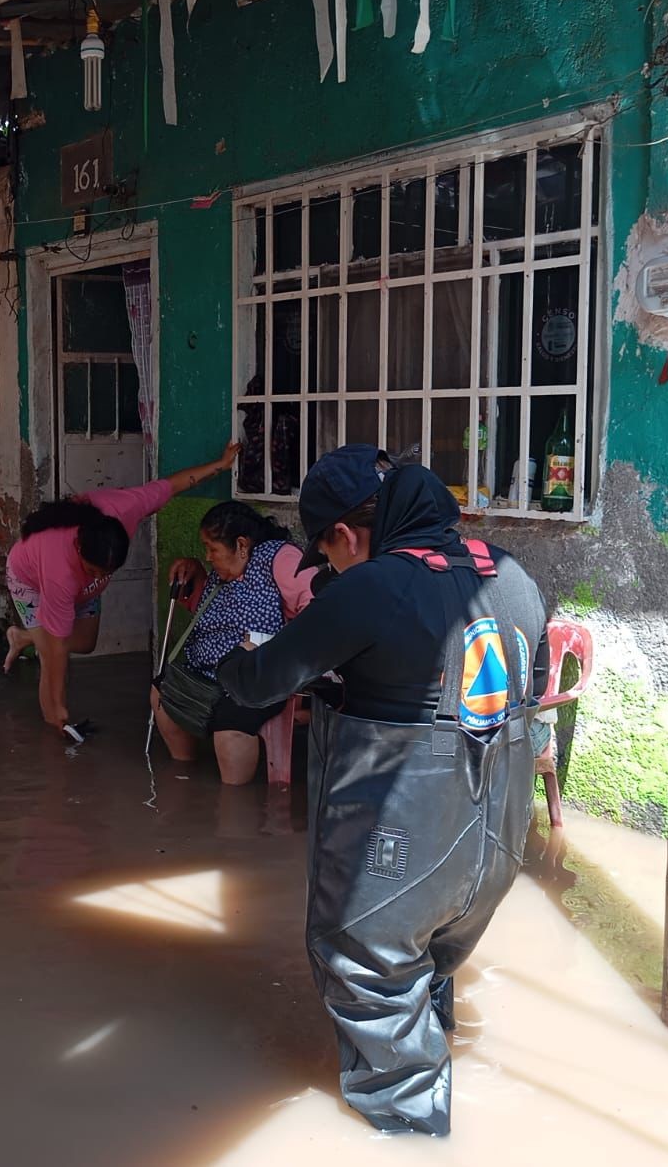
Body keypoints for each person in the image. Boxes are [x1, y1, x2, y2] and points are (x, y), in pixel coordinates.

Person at [218, 446, 548, 1137]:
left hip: (408, 832)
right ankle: (440, 1071)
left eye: (326, 554)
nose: (329, 569)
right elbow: (518, 690)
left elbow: (263, 681)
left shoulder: (371, 588)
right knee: (427, 966)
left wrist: (232, 660)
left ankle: (410, 1135)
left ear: (343, 536)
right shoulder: (512, 575)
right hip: (495, 841)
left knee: (366, 965)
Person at [4, 441, 242, 732]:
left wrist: (220, 464)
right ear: (79, 549)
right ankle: (51, 732)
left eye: (107, 572)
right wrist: (58, 710)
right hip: (30, 582)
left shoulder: (126, 507)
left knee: (86, 643)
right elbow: (55, 654)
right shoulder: (58, 570)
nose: (100, 576)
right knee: (54, 649)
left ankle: (24, 637)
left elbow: (171, 485)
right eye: (93, 570)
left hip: (81, 588)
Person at [153, 501, 318, 784]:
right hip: (210, 670)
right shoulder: (224, 572)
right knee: (163, 692)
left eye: (212, 549)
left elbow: (315, 609)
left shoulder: (280, 559)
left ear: (241, 545)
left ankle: (233, 803)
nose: (207, 556)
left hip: (259, 674)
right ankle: (183, 775)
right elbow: (212, 616)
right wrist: (194, 574)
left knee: (230, 725)